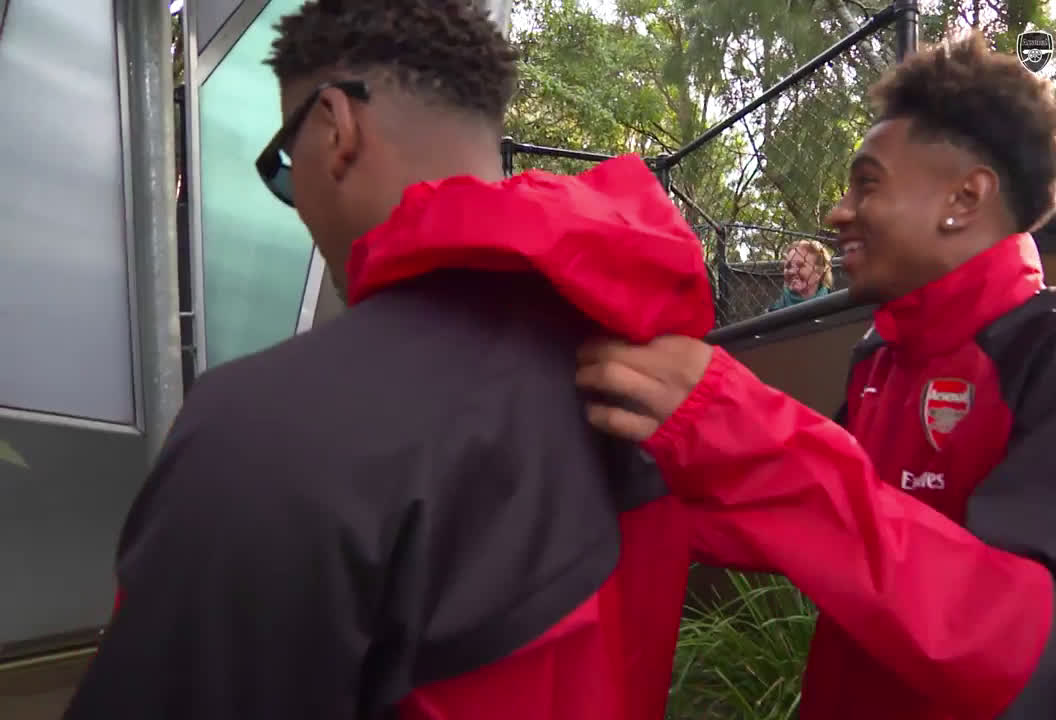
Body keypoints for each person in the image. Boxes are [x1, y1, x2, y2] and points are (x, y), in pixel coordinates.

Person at [64, 2, 713, 719]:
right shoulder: (675, 392)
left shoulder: (260, 432)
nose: (297, 202)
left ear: (336, 127)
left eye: (285, 168)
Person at [576, 31, 1056, 720]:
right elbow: (812, 529)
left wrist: (748, 436)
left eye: (866, 184)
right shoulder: (883, 355)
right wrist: (614, 474)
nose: (837, 212)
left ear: (964, 198)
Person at [768, 239, 834, 311]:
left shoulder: (835, 307)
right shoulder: (774, 311)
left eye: (800, 266)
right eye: (788, 266)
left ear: (819, 272)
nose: (792, 272)